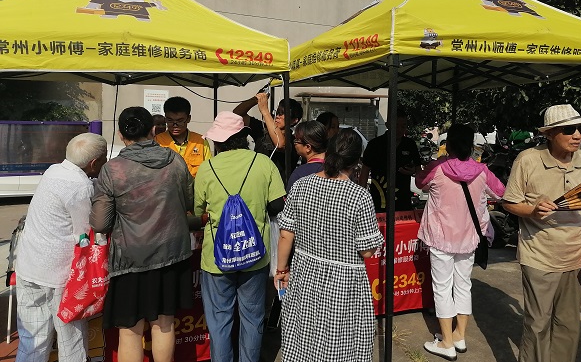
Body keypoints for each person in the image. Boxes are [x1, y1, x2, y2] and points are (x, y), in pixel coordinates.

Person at [503, 104, 581, 362]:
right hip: (539, 255)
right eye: (569, 129)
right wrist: (532, 210)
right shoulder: (528, 159)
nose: (577, 135)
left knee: (568, 323)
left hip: (578, 255)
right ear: (549, 133)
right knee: (537, 323)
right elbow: (509, 202)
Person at [91, 107, 194, 362]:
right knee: (164, 323)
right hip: (171, 253)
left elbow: (100, 223)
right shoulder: (175, 160)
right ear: (153, 131)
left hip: (130, 259)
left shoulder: (113, 169)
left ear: (120, 134)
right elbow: (189, 201)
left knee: (130, 329)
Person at [275, 128, 384, 362]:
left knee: (304, 334)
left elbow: (286, 234)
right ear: (356, 161)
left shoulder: (301, 185)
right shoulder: (359, 196)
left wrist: (282, 269)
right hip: (343, 282)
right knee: (338, 342)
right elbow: (367, 251)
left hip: (305, 273)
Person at [195, 111, 286, 362]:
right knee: (253, 318)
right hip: (255, 254)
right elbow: (277, 205)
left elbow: (198, 211)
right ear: (244, 136)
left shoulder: (207, 168)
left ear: (218, 141)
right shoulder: (264, 163)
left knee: (219, 321)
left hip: (217, 258)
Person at [15, 132, 108, 362]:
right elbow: (84, 234)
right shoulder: (80, 187)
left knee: (32, 339)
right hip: (60, 275)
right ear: (94, 163)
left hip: (29, 266)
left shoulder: (53, 171)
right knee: (71, 341)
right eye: (105, 158)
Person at [415, 124, 505, 361]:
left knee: (442, 288)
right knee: (463, 285)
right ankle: (459, 336)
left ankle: (446, 342)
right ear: (471, 145)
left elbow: (419, 182)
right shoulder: (482, 170)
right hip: (469, 239)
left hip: (441, 238)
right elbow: (501, 192)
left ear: (449, 145)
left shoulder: (437, 167)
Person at [359, 107, 423, 211]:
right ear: (387, 125)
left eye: (403, 126)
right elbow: (365, 171)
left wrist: (414, 171)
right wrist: (361, 197)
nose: (399, 129)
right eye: (396, 125)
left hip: (403, 199)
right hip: (379, 198)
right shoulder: (375, 144)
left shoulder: (410, 144)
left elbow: (418, 169)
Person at [233, 92, 303, 182]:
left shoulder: (294, 140)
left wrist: (265, 112)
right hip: (257, 181)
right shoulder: (262, 128)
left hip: (277, 186)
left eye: (282, 114)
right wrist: (255, 100)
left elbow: (280, 144)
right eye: (278, 112)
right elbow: (237, 114)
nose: (278, 116)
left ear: (294, 120)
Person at [155, 96, 211, 177]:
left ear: (188, 119)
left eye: (180, 121)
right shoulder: (157, 141)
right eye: (170, 120)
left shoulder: (201, 142)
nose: (175, 125)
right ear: (165, 119)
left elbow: (208, 171)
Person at [286, 120, 328, 191]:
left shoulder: (300, 173)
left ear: (308, 147)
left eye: (296, 140)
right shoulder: (338, 169)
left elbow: (289, 197)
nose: (294, 143)